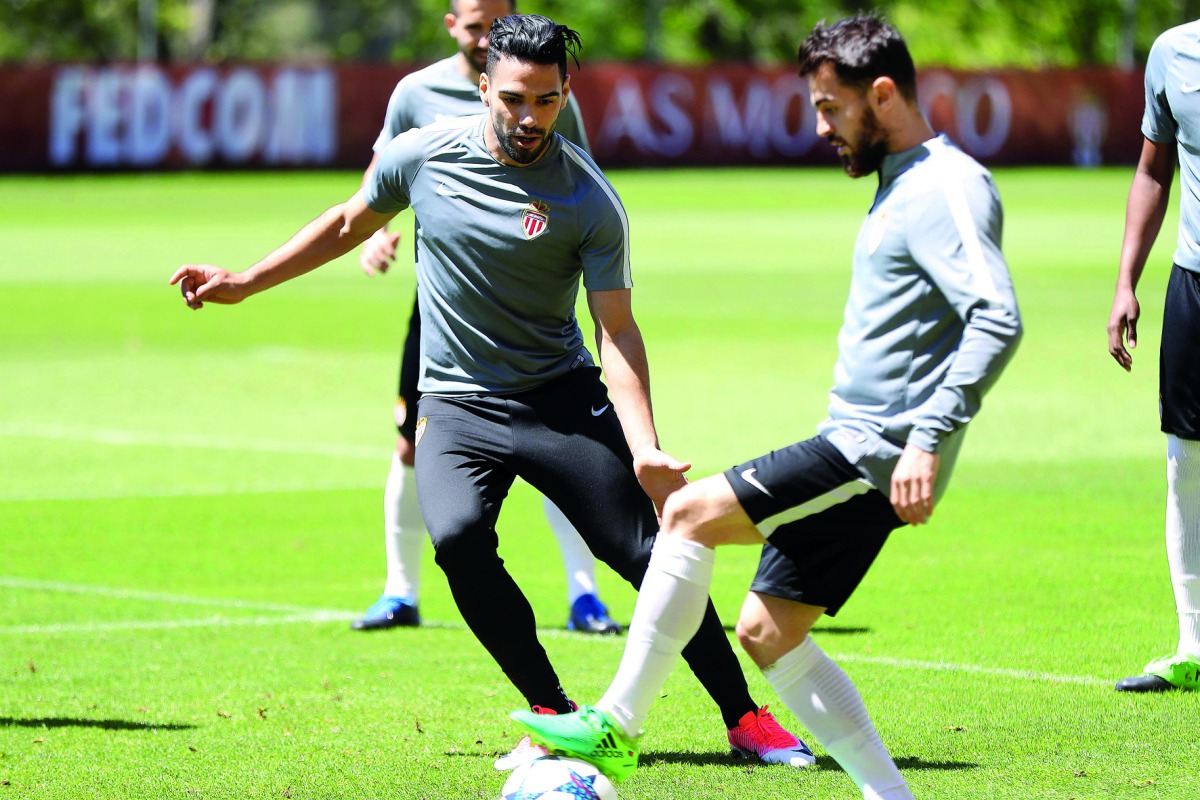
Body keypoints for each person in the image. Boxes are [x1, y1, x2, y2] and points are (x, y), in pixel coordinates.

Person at [169, 13, 813, 774]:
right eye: (513, 99)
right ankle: (552, 713)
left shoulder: (588, 197)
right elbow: (347, 222)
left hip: (559, 401)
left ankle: (745, 718)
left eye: (545, 100)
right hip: (455, 407)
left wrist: (643, 447)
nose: (529, 117)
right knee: (459, 542)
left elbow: (616, 330)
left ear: (565, 94)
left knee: (645, 555)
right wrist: (246, 281)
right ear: (483, 88)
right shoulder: (422, 155)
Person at [513, 14, 1023, 799]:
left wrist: (927, 439)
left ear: (883, 95)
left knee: (687, 515)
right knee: (766, 633)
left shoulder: (945, 186)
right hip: (864, 442)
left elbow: (996, 317)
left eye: (831, 107)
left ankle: (615, 724)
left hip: (876, 449)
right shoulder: (902, 183)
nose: (821, 127)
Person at [352, 0, 618, 635]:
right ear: (454, 27)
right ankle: (400, 591)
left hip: (534, 308)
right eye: (476, 26)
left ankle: (585, 597)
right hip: (447, 309)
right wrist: (376, 232)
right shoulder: (416, 94)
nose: (486, 36)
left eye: (497, 23)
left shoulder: (545, 91)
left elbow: (577, 179)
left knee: (563, 454)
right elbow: (381, 174)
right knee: (412, 443)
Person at [1106, 20, 1200, 693]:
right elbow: (1152, 169)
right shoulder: (1172, 52)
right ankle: (1193, 646)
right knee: (1184, 463)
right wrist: (1125, 283)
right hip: (1194, 282)